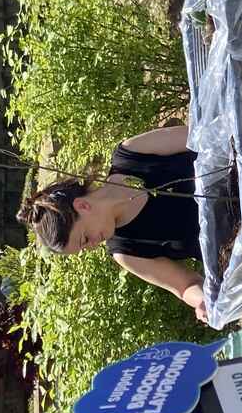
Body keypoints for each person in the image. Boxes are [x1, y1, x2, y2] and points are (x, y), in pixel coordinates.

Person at [17, 125, 213, 323]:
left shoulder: (132, 154)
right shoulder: (127, 252)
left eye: (84, 239)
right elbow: (185, 285)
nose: (92, 245)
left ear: (82, 205)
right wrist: (201, 301)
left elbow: (204, 133)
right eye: (85, 248)